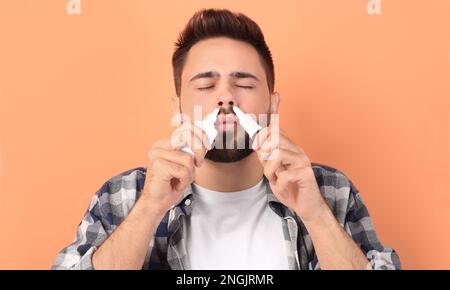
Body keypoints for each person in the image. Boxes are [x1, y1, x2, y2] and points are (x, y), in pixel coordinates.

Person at [52, 8, 400, 270]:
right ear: (178, 107)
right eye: (205, 85)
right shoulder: (123, 196)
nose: (226, 98)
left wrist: (318, 217)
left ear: (272, 105)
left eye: (245, 84)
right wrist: (148, 210)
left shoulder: (330, 191)